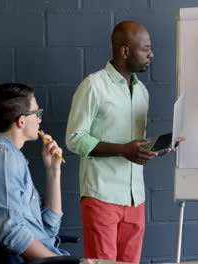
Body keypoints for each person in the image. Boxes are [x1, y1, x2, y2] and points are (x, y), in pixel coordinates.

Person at [65, 21, 156, 263]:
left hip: (135, 198)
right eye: (145, 48)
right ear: (124, 51)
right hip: (101, 196)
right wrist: (123, 150)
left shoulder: (142, 92)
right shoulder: (93, 86)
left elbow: (134, 145)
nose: (151, 54)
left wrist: (153, 149)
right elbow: (74, 139)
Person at [0, 83, 70, 263]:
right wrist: (59, 262)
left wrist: (53, 170)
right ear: (21, 121)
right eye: (36, 113)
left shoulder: (12, 157)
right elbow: (11, 231)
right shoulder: (3, 158)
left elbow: (49, 228)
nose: (39, 120)